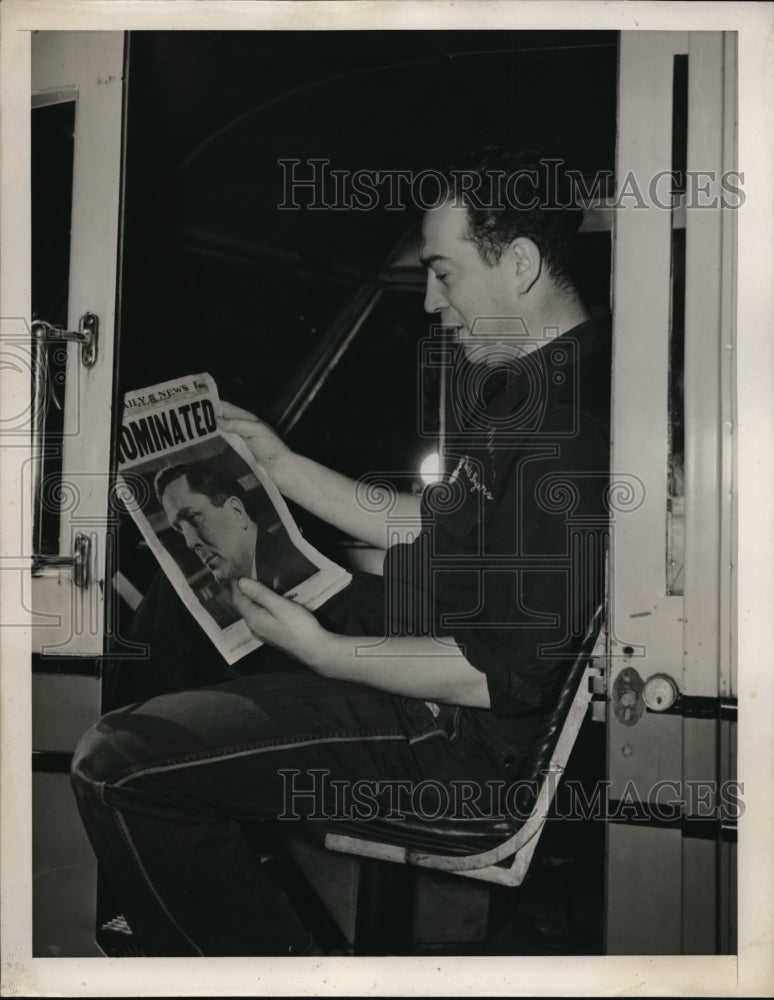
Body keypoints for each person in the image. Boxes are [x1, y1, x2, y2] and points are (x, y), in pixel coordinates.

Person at [71, 148, 611, 956]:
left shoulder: (567, 429)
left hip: (453, 739)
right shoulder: (524, 388)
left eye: (444, 274)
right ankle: (181, 854)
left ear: (522, 264)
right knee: (194, 605)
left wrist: (323, 652)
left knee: (114, 765)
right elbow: (435, 526)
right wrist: (281, 467)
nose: (432, 303)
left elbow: (500, 671)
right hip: (431, 655)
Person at [154, 463, 316, 596]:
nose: (190, 543)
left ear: (237, 512)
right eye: (180, 530)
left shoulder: (297, 569)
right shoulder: (253, 584)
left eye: (194, 518)